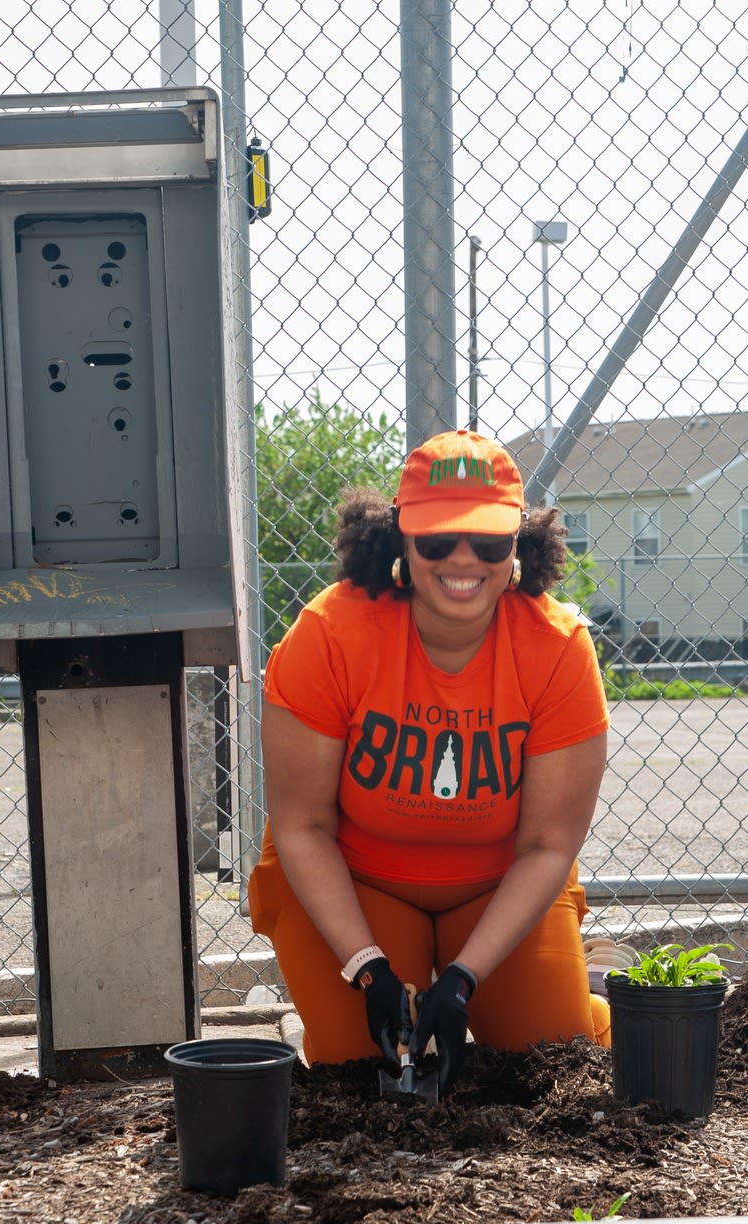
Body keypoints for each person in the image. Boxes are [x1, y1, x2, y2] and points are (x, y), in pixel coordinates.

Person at [247, 429, 612, 1089]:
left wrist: (465, 978)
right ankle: (360, 1002)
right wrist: (368, 966)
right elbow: (303, 826)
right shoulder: (328, 636)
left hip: (497, 885)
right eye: (438, 540)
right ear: (401, 543)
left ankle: (600, 1005)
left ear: (519, 548)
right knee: (358, 1069)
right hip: (358, 882)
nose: (462, 560)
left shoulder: (558, 648)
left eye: (489, 541)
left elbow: (548, 846)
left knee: (554, 1056)